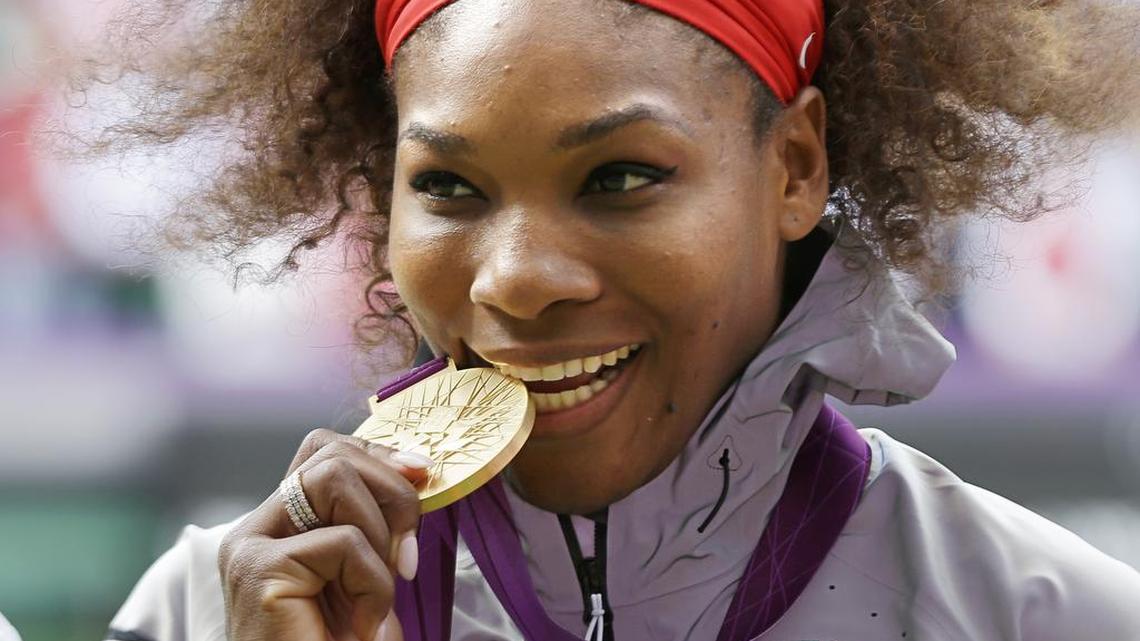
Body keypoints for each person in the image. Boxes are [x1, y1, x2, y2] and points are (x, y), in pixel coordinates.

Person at [80, 0, 1140, 640]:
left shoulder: (1043, 614)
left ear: (795, 166)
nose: (516, 281)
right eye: (448, 186)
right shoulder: (210, 611)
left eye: (619, 177)